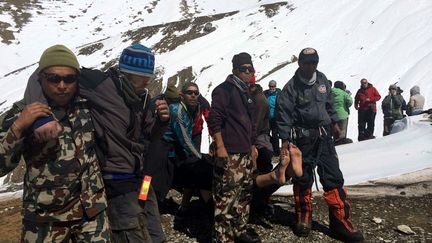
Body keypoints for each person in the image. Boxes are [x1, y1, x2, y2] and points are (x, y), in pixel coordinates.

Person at [24, 44, 170, 243]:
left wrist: (161, 122)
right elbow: (40, 75)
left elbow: (149, 134)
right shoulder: (100, 84)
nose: (148, 80)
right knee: (132, 233)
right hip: (116, 181)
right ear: (127, 73)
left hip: (142, 179)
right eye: (142, 75)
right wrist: (41, 118)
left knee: (155, 232)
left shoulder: (141, 98)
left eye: (149, 75)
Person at [0, 45, 110, 242]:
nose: (62, 85)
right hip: (46, 220)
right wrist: (18, 128)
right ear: (41, 78)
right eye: (53, 78)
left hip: (92, 212)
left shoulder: (86, 105)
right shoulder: (22, 114)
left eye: (69, 79)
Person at [276, 47, 364, 242]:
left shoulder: (322, 79)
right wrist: (284, 142)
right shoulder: (291, 87)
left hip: (324, 138)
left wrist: (334, 123)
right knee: (303, 178)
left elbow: (329, 103)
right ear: (299, 63)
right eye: (307, 62)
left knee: (333, 176)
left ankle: (340, 222)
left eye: (314, 62)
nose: (310, 66)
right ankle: (303, 217)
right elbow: (283, 114)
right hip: (302, 140)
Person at [208, 52, 260, 243]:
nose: (247, 72)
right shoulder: (224, 90)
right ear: (235, 70)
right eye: (243, 69)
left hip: (245, 152)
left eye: (250, 69)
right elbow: (214, 118)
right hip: (230, 153)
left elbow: (251, 124)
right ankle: (223, 237)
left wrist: (253, 146)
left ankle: (239, 230)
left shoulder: (246, 92)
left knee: (244, 194)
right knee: (227, 196)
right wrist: (220, 146)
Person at [163, 82, 213, 221]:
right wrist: (200, 157)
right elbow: (184, 138)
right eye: (189, 92)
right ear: (182, 95)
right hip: (168, 151)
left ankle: (186, 207)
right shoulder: (177, 110)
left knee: (196, 172)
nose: (193, 95)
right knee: (158, 183)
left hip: (179, 150)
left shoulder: (195, 106)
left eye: (196, 93)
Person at [331, 81, 353, 145]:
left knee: (335, 131)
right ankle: (342, 144)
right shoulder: (343, 93)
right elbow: (350, 102)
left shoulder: (329, 92)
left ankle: (336, 143)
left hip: (332, 114)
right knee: (342, 131)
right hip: (343, 114)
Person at [263, 80, 282, 156]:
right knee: (266, 135)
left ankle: (277, 152)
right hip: (267, 119)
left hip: (275, 118)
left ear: (275, 86)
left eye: (273, 86)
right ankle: (269, 151)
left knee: (275, 135)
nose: (272, 88)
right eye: (270, 86)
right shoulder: (265, 94)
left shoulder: (279, 94)